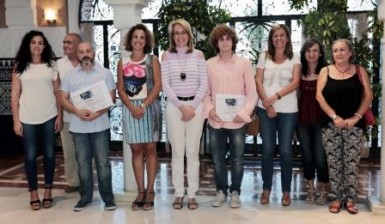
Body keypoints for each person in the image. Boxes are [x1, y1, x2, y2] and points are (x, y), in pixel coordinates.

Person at [316, 39, 372, 214]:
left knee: (351, 163)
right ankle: (336, 198)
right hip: (331, 124)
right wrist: (334, 116)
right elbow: (319, 96)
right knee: (334, 163)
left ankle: (350, 199)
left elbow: (368, 96)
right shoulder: (325, 70)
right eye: (335, 50)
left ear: (350, 52)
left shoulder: (359, 70)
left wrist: (356, 117)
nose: (338, 53)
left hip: (354, 125)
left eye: (342, 50)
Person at [204, 24, 258, 208]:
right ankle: (221, 191)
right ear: (216, 43)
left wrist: (243, 114)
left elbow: (252, 93)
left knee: (237, 159)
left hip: (237, 122)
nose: (225, 42)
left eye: (228, 39)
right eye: (221, 39)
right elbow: (205, 92)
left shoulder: (244, 63)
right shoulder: (209, 64)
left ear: (233, 42)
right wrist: (210, 110)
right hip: (216, 122)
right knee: (218, 160)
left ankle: (235, 192)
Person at [60, 41, 117, 212]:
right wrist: (76, 111)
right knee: (83, 163)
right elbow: (63, 99)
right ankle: (85, 198)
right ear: (77, 55)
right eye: (81, 52)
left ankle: (108, 198)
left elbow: (111, 99)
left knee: (103, 163)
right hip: (78, 127)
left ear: (93, 52)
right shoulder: (70, 75)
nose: (85, 54)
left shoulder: (105, 73)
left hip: (100, 124)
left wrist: (97, 113)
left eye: (88, 51)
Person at [11, 30, 62, 210]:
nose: (37, 46)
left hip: (49, 117)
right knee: (31, 156)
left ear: (45, 46)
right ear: (28, 45)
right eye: (33, 42)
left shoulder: (52, 65)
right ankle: (33, 192)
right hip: (27, 118)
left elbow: (58, 93)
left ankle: (48, 190)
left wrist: (60, 116)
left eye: (40, 43)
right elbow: (15, 94)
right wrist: (16, 120)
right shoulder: (19, 66)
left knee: (49, 155)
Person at [161, 18, 208, 210]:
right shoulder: (166, 56)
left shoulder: (198, 55)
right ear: (172, 37)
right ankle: (179, 193)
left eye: (183, 32)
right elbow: (165, 85)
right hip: (175, 108)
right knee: (178, 152)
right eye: (176, 33)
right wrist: (182, 107)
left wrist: (192, 106)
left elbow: (204, 84)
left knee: (193, 152)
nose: (180, 37)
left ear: (189, 35)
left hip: (195, 107)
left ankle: (192, 194)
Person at [117, 24, 161, 211]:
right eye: (135, 37)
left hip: (148, 107)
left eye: (142, 37)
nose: (138, 40)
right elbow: (120, 88)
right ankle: (140, 191)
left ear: (146, 41)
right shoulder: (123, 61)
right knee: (136, 150)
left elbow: (158, 86)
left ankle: (150, 190)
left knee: (150, 149)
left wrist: (142, 106)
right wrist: (132, 108)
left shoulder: (152, 60)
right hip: (130, 109)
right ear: (130, 40)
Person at [255, 24, 301, 206]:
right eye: (275, 36)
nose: (279, 39)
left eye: (282, 35)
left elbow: (296, 82)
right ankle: (266, 188)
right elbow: (258, 80)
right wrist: (267, 102)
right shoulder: (263, 56)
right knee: (267, 150)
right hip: (265, 108)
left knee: (285, 150)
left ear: (287, 38)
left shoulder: (294, 56)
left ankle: (286, 191)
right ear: (271, 39)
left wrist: (275, 97)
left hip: (288, 110)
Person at [297, 39, 330, 205]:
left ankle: (324, 187)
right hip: (302, 119)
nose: (311, 54)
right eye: (308, 51)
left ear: (321, 53)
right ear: (303, 54)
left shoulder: (327, 71)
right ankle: (310, 188)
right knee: (307, 156)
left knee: (320, 157)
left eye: (315, 50)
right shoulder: (299, 71)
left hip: (320, 120)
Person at [56, 33, 82, 193]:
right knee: (69, 151)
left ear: (78, 45)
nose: (65, 45)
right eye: (64, 42)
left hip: (86, 116)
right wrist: (59, 115)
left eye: (69, 43)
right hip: (67, 116)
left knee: (85, 152)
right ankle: (73, 181)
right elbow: (57, 93)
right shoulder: (58, 64)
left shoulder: (88, 62)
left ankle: (86, 180)